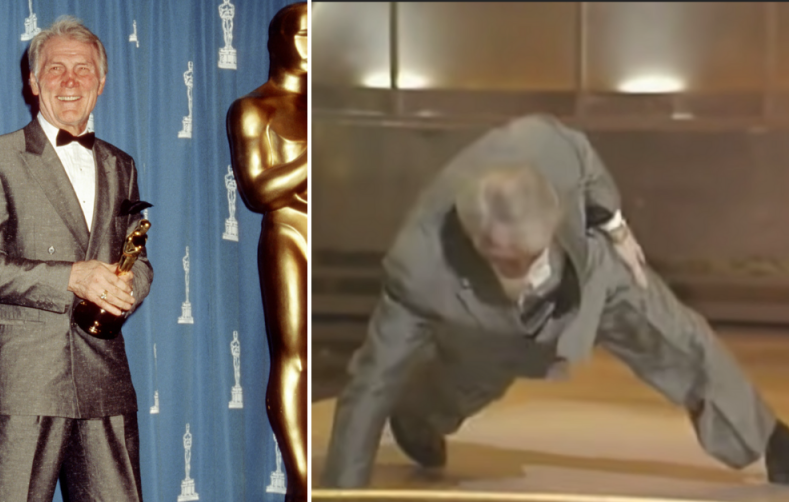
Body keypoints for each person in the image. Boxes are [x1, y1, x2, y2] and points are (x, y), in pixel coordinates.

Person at [321, 114, 789, 488]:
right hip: (489, 325)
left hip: (589, 270)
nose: (527, 274)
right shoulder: (420, 267)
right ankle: (419, 418)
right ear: (478, 243)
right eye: (509, 263)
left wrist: (615, 229)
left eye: (532, 256)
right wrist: (341, 490)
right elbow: (372, 383)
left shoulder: (546, 145)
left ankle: (771, 442)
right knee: (468, 383)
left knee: (680, 338)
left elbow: (585, 161)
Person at [0, 16, 152, 501]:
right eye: (56, 68)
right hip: (26, 380)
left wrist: (130, 284)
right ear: (34, 80)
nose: (69, 81)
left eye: (83, 69)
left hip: (105, 374)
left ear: (101, 82)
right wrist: (72, 278)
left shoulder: (121, 164)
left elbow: (139, 256)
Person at [226, 2, 307, 500]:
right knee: (294, 357)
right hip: (291, 231)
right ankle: (302, 481)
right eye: (303, 35)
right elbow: (258, 190)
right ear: (277, 39)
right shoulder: (255, 108)